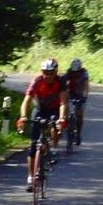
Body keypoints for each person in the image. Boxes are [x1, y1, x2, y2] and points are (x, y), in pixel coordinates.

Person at [16, 57, 68, 191]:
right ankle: (30, 177)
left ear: (56, 72)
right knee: (33, 147)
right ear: (41, 72)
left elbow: (63, 102)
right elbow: (26, 101)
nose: (48, 76)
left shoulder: (60, 82)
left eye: (51, 73)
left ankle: (53, 149)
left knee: (55, 126)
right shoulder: (37, 81)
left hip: (54, 109)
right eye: (45, 73)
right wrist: (23, 116)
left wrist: (62, 118)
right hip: (40, 109)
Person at [63, 58, 89, 145]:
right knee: (65, 107)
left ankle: (78, 134)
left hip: (80, 94)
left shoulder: (84, 73)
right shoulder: (69, 72)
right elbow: (64, 83)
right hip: (71, 92)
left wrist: (84, 96)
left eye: (77, 71)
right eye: (74, 71)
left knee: (79, 114)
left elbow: (86, 86)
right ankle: (65, 124)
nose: (75, 73)